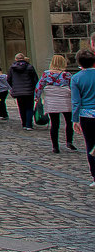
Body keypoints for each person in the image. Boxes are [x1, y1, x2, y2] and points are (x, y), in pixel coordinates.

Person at [35, 54, 76, 153]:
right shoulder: (67, 75)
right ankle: (69, 141)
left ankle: (55, 146)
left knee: (54, 124)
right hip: (65, 100)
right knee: (69, 122)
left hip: (52, 100)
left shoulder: (46, 74)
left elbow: (39, 86)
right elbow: (72, 88)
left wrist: (37, 97)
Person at [70, 48, 95, 187]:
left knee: (91, 145)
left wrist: (75, 120)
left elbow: (76, 102)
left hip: (87, 115)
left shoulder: (76, 78)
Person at [8, 53, 39, 129]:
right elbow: (35, 79)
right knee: (29, 108)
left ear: (16, 59)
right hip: (29, 91)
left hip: (18, 92)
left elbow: (9, 79)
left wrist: (14, 87)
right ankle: (29, 124)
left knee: (21, 108)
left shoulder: (12, 68)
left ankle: (24, 124)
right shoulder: (29, 67)